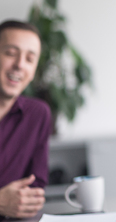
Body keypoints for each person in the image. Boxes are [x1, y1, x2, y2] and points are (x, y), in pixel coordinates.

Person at [0, 20, 51, 220]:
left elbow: (34, 190)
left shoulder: (37, 115)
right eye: (11, 53)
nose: (19, 65)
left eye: (30, 59)